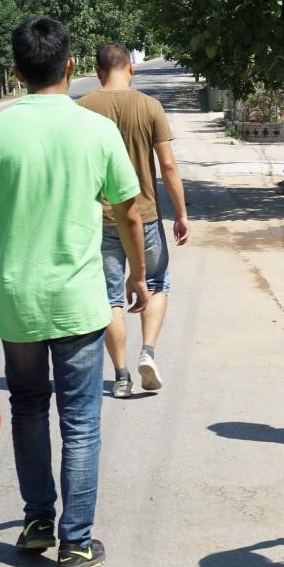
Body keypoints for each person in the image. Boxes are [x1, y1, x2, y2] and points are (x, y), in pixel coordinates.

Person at [0, 17, 148, 567]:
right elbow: (129, 211)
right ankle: (76, 544)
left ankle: (38, 520)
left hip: (17, 302)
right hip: (78, 301)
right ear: (70, 66)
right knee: (81, 422)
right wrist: (139, 275)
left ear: (16, 72)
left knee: (28, 408)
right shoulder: (96, 129)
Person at [79, 44, 190, 399]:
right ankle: (148, 353)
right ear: (131, 67)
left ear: (98, 72)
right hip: (145, 216)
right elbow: (168, 165)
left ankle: (121, 376)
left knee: (110, 296)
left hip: (102, 219)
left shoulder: (83, 108)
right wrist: (181, 213)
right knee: (156, 283)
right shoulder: (149, 106)